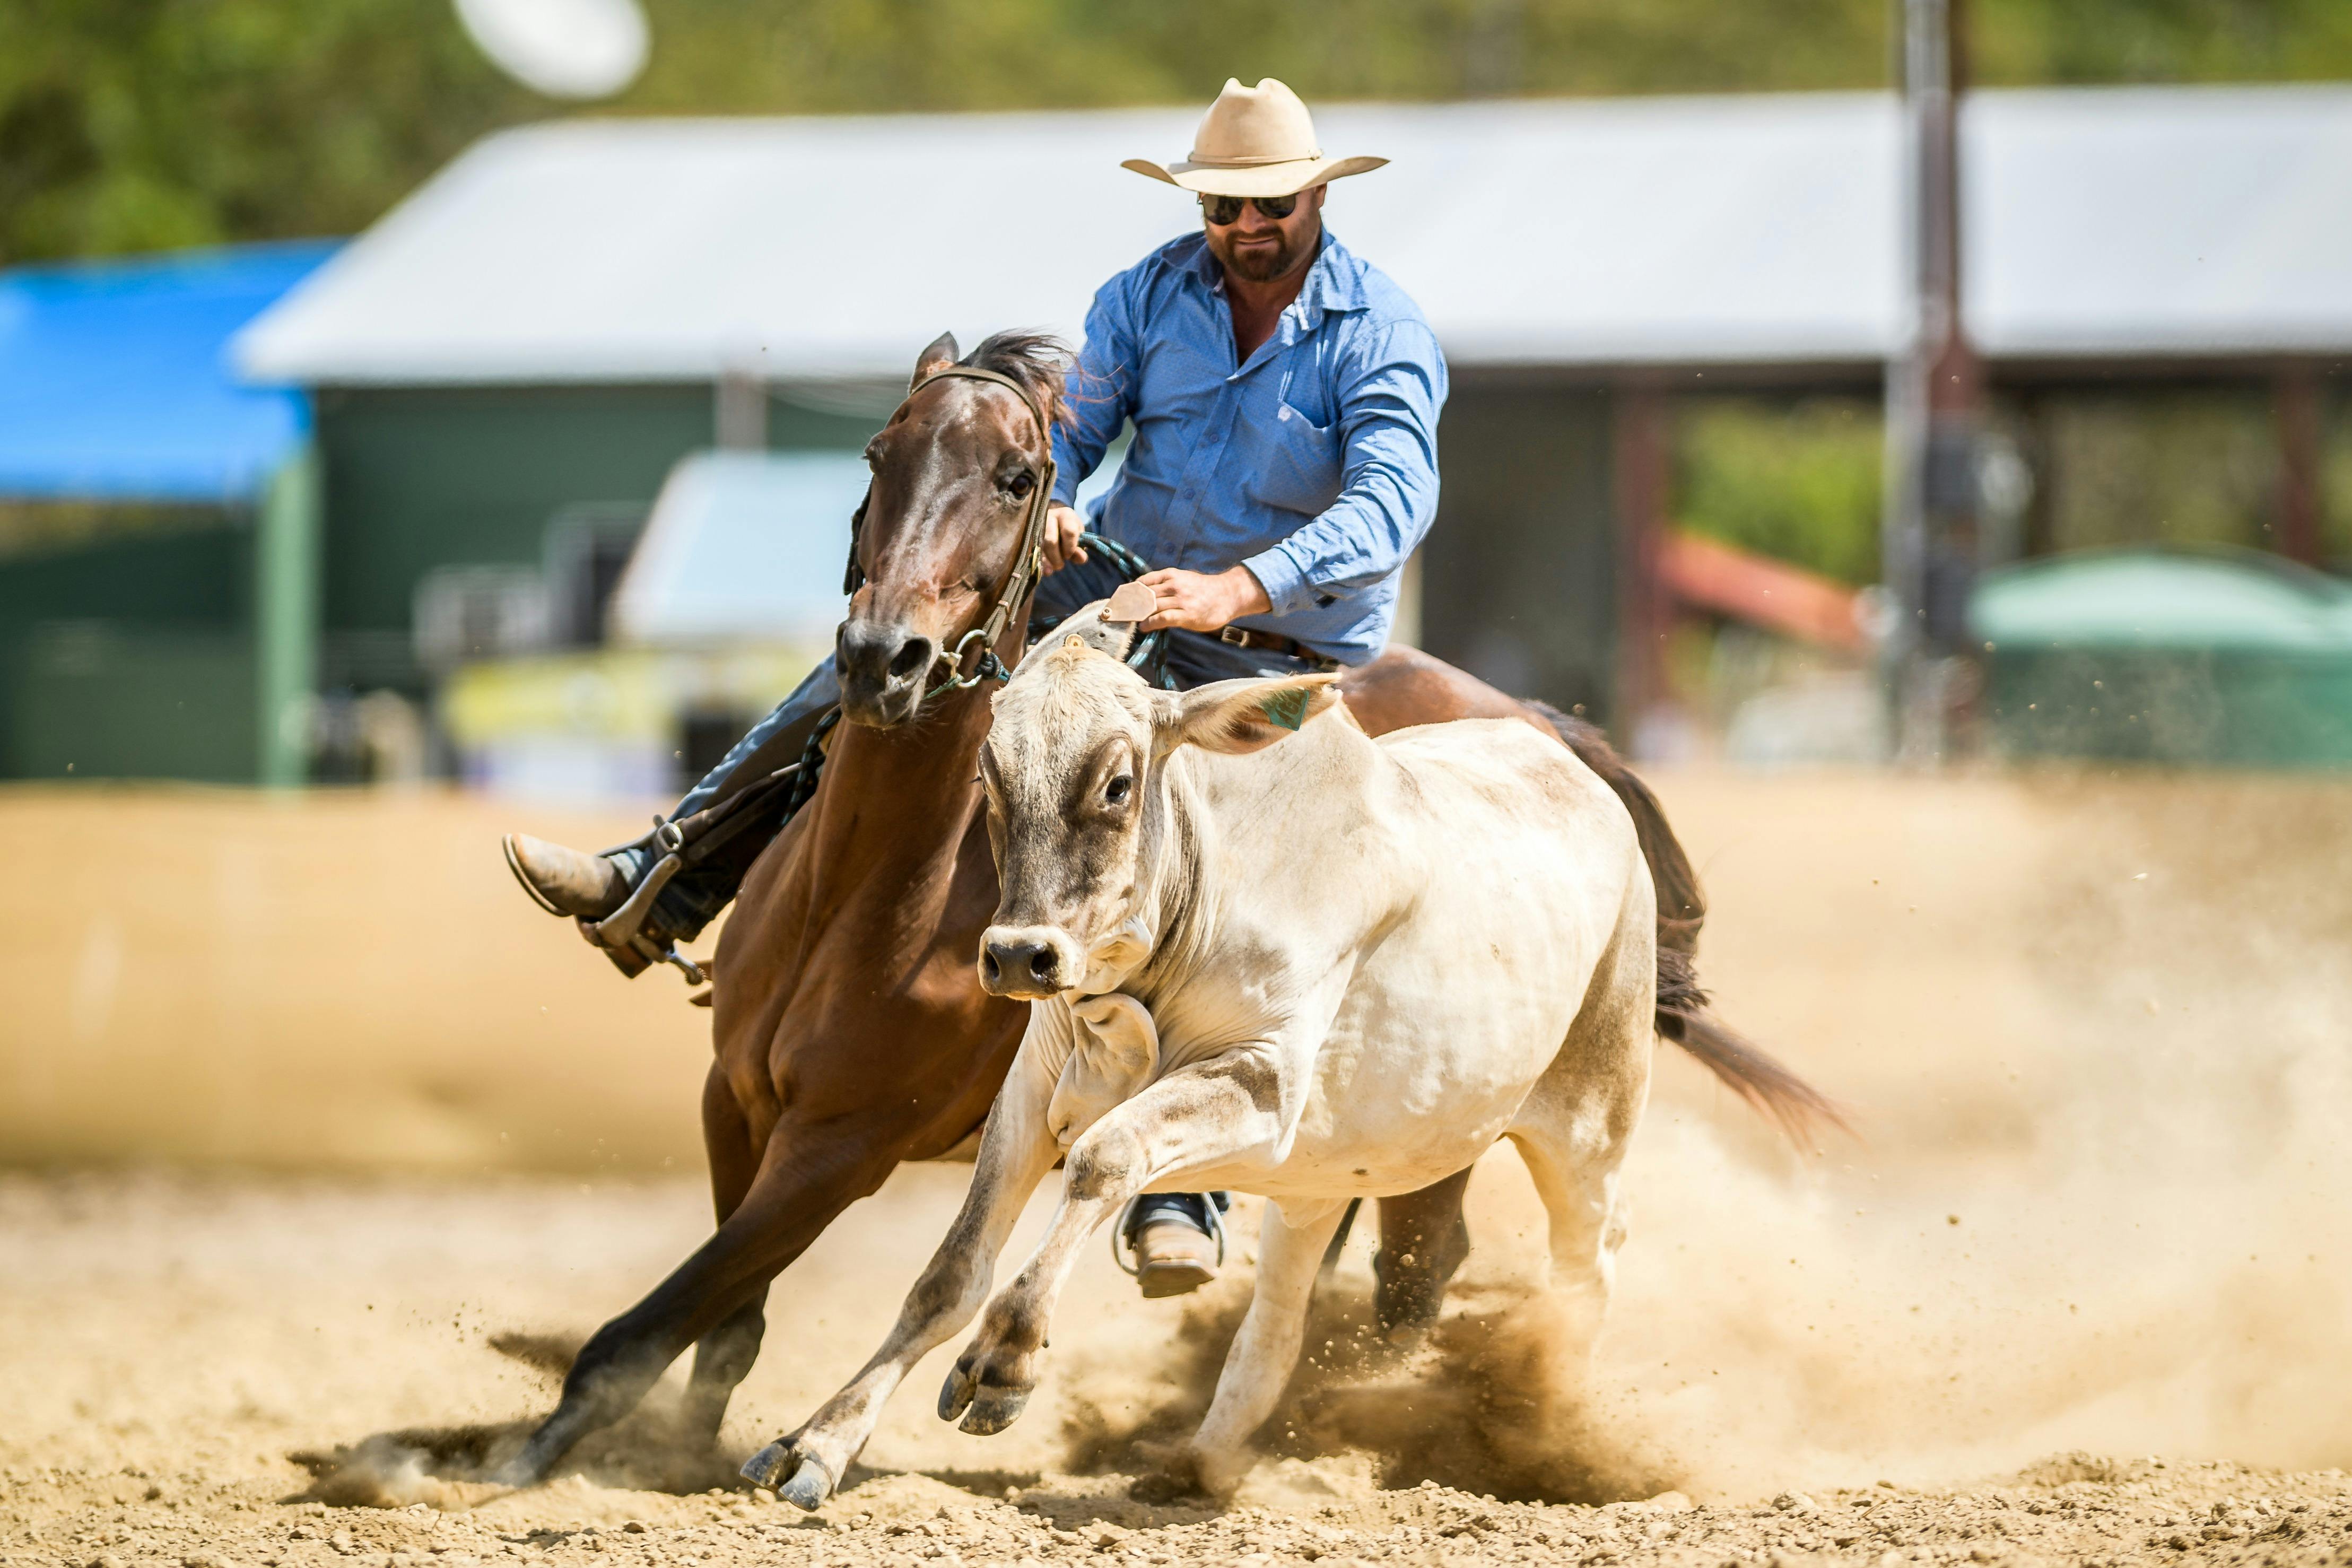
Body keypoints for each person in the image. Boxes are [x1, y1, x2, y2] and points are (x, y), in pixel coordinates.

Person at [503, 76, 1447, 1297]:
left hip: (1275, 643)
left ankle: (1186, 1181)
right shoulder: (1146, 295)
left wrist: (1237, 587)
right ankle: (672, 870)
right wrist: (1050, 498)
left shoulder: (1380, 329)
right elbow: (1084, 422)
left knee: (1176, 837)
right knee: (891, 644)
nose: (1245, 227)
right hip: (1115, 592)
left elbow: (1392, 501)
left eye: (1268, 205)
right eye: (1224, 206)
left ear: (1316, 195)